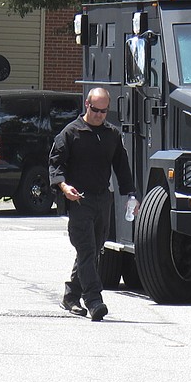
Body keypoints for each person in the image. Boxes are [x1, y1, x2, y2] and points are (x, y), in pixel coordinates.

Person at [49, 87, 135, 321]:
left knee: (93, 250)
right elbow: (55, 165)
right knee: (86, 249)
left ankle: (71, 295)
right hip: (79, 201)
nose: (98, 115)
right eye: (95, 109)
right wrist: (65, 188)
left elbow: (121, 167)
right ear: (87, 105)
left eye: (104, 111)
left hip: (102, 199)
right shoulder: (71, 133)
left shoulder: (112, 134)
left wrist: (131, 195)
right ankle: (94, 300)